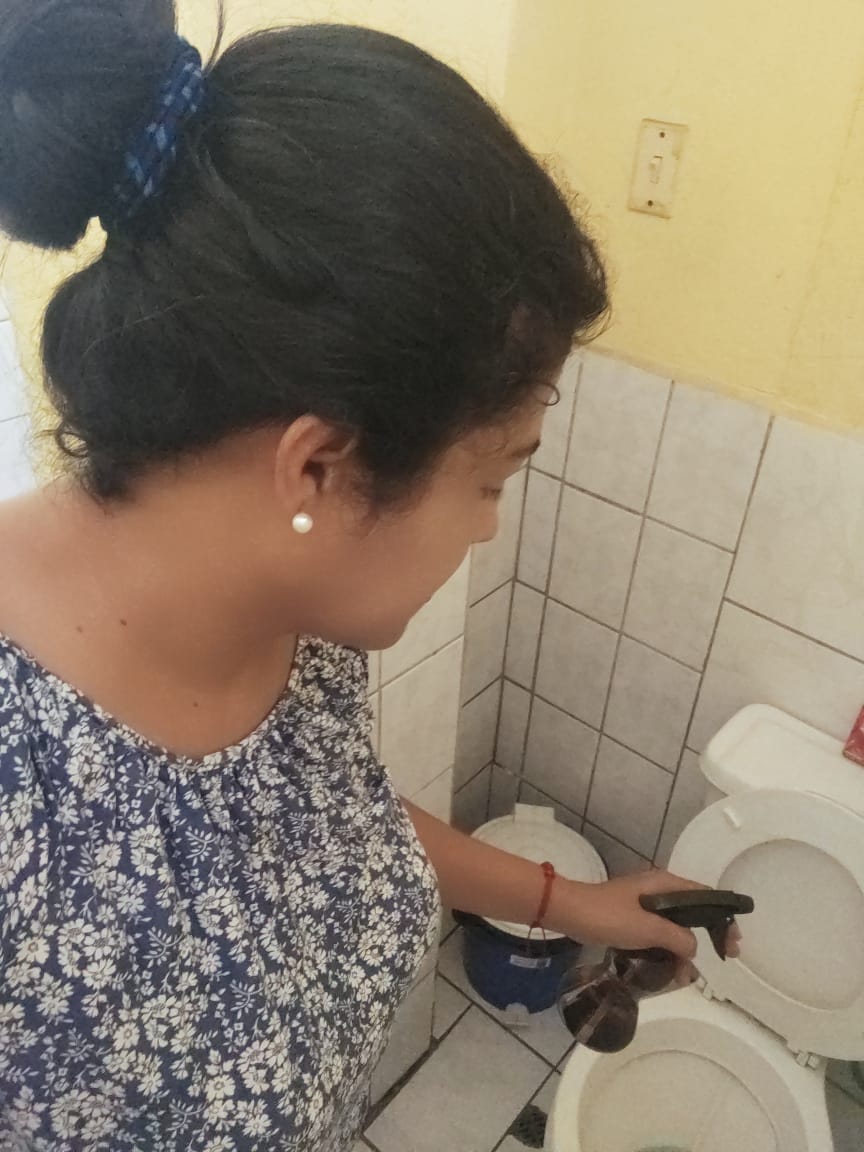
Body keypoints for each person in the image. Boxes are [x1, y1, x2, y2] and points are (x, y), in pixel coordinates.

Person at [0, 3, 739, 1148]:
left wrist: (571, 903)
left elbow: (322, 834)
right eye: (491, 478)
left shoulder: (291, 616)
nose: (488, 529)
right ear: (321, 468)